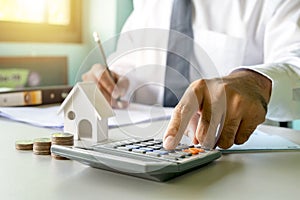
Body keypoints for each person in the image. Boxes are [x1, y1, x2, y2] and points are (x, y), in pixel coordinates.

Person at [82, 0, 300, 150]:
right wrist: (108, 80)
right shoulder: (146, 5)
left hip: (234, 157)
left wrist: (255, 82)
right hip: (143, 149)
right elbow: (127, 67)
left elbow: (296, 71)